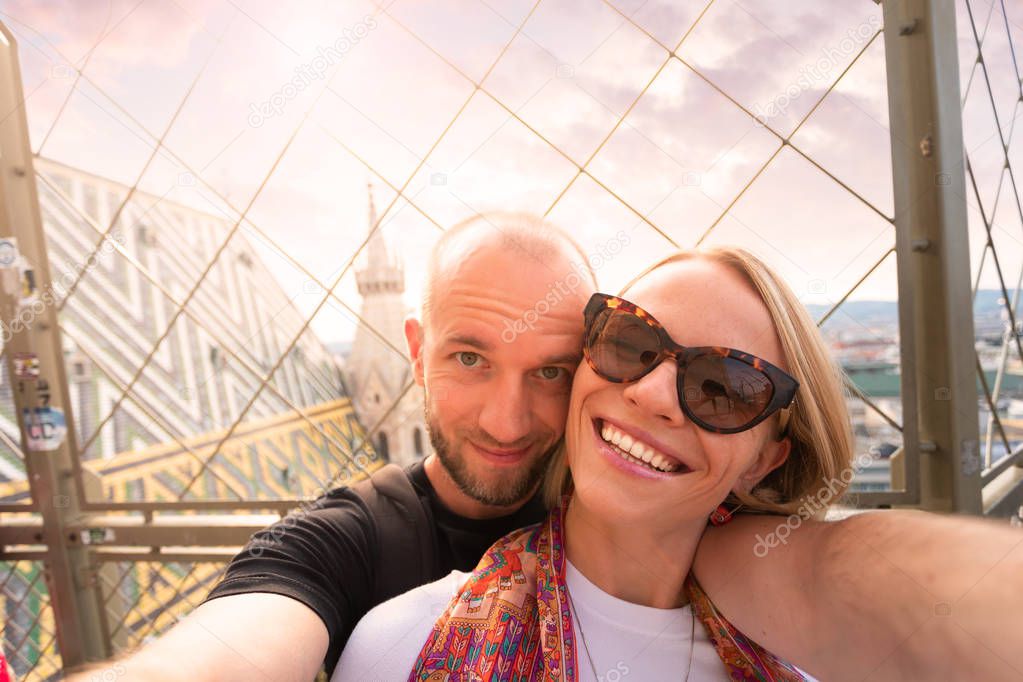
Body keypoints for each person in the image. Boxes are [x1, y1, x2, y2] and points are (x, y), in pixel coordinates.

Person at [335, 246, 1023, 681]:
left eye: (722, 387)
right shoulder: (399, 647)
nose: (653, 393)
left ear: (766, 460)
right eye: (631, 342)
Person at [66, 212, 597, 682]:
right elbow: (236, 640)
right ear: (416, 354)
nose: (506, 424)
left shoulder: (620, 517)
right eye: (468, 359)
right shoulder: (341, 542)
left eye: (551, 372)